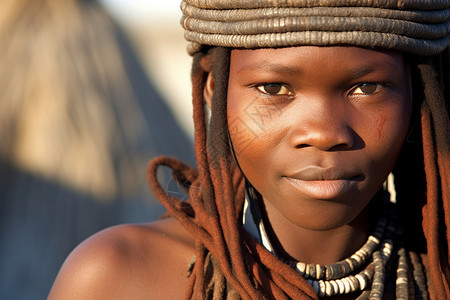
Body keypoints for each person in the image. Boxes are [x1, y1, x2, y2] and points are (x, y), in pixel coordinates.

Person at [48, 0, 449, 299]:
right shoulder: (120, 278)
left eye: (367, 87)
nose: (324, 133)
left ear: (417, 96)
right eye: (274, 89)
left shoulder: (438, 273)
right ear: (214, 92)